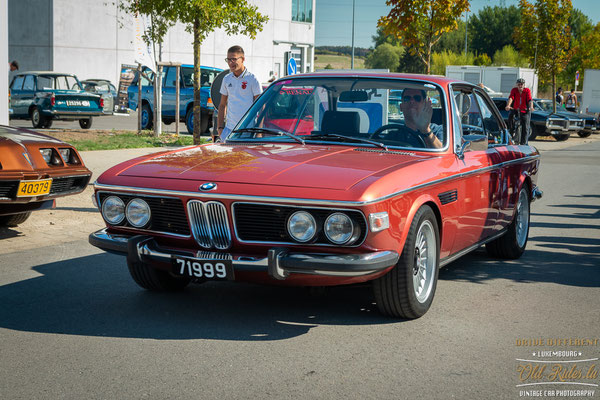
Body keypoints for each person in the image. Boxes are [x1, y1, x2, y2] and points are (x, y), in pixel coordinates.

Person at [216, 45, 262, 142]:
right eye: (228, 59)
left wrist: (259, 132)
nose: (230, 63)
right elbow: (222, 105)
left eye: (233, 59)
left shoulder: (252, 79)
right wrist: (220, 128)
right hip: (229, 131)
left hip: (247, 131)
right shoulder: (226, 79)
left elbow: (262, 107)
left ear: (242, 59)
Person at [505, 78, 533, 145]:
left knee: (525, 126)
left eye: (521, 84)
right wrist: (508, 105)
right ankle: (511, 132)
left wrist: (531, 107)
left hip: (525, 110)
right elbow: (511, 98)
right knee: (510, 117)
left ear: (524, 85)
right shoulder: (514, 90)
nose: (520, 86)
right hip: (516, 109)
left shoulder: (527, 90)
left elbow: (530, 100)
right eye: (519, 84)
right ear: (516, 85)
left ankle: (524, 142)